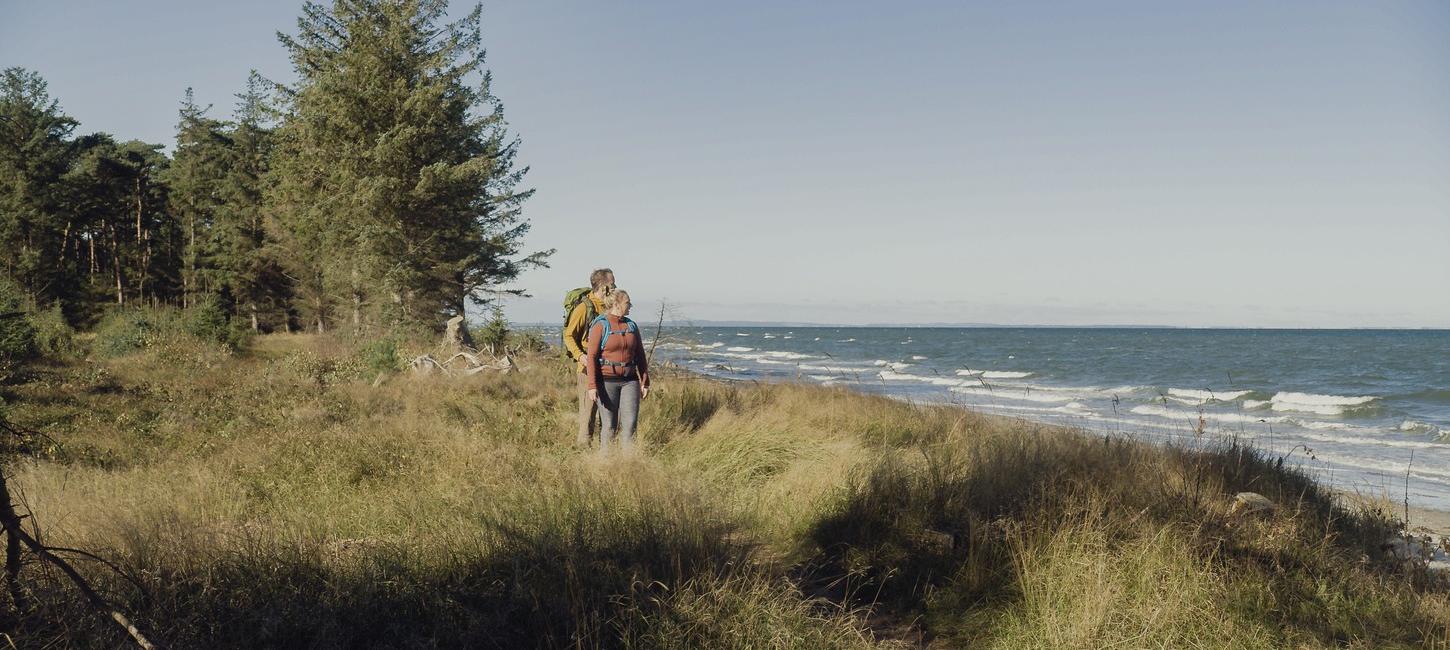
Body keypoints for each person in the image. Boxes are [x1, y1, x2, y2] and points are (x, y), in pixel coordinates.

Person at [585, 289, 650, 455]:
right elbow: (591, 357)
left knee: (630, 425)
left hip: (630, 381)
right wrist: (592, 385)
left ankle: (627, 463)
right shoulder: (600, 326)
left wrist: (645, 381)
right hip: (606, 382)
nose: (631, 306)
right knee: (609, 425)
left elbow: (640, 355)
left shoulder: (631, 326)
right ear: (616, 304)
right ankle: (606, 463)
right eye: (627, 303)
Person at [563, 268, 614, 447]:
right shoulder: (585, 307)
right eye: (612, 284)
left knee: (609, 413)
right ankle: (583, 454)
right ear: (603, 286)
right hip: (586, 369)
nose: (614, 287)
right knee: (587, 415)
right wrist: (580, 356)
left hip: (608, 368)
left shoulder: (610, 306)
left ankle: (606, 452)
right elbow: (568, 335)